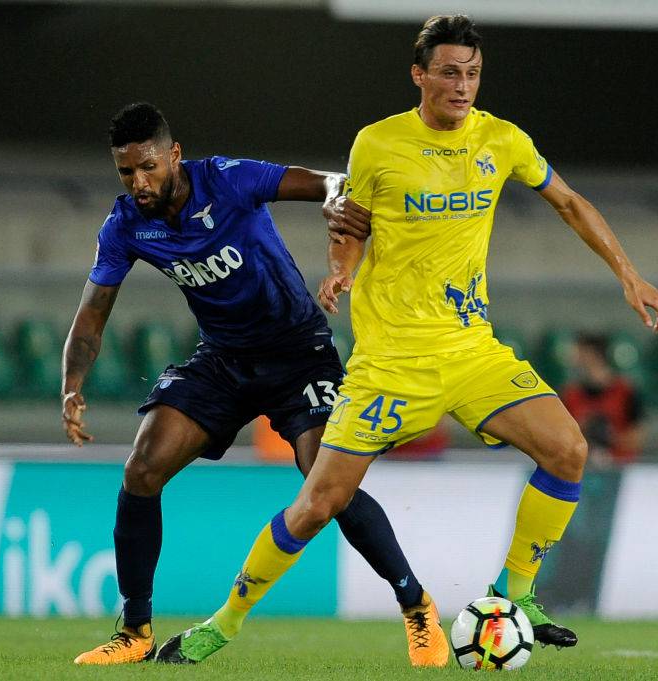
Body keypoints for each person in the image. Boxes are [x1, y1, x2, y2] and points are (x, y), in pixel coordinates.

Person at [154, 15, 658, 665]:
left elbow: (568, 201)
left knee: (568, 448)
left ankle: (514, 594)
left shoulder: (503, 140)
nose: (463, 86)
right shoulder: (378, 144)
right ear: (419, 75)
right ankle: (221, 624)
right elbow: (352, 220)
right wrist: (341, 267)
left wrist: (629, 273)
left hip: (470, 347)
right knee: (319, 502)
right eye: (450, 72)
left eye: (473, 73)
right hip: (391, 361)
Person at [63, 103, 433, 666]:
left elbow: (329, 181)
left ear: (174, 155)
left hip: (299, 355)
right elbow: (92, 313)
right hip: (224, 361)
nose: (139, 182)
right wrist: (72, 385)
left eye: (148, 168)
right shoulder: (124, 226)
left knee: (325, 482)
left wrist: (337, 196)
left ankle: (416, 606)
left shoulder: (230, 180)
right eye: (126, 173)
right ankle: (135, 631)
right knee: (142, 468)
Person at [562, 333, 645, 466]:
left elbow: (637, 438)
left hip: (619, 466)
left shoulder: (625, 391)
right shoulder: (570, 394)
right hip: (582, 467)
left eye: (579, 354)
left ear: (592, 355)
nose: (573, 360)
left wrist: (609, 437)